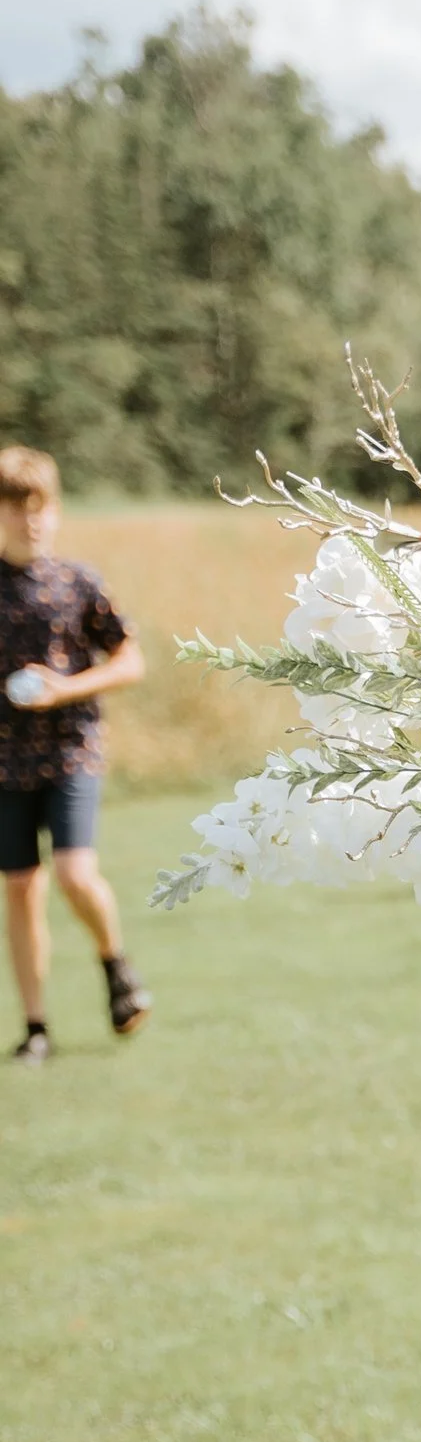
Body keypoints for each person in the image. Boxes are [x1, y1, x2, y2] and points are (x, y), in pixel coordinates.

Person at [1, 446, 149, 1060]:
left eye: (40, 506)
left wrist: (67, 688)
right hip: (5, 763)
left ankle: (115, 963)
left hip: (71, 750)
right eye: (14, 507)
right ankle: (36, 1029)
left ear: (55, 510)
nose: (30, 519)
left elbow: (131, 660)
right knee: (20, 887)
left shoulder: (78, 582)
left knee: (72, 872)